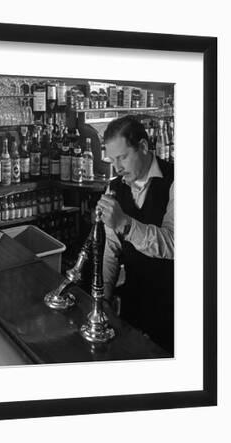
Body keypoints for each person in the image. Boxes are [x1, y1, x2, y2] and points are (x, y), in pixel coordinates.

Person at [97, 116, 174, 354]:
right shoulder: (115, 187)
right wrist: (104, 300)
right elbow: (111, 250)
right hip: (133, 302)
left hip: (173, 305)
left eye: (122, 157)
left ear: (142, 146)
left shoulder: (176, 181)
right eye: (112, 160)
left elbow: (174, 244)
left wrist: (126, 224)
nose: (117, 167)